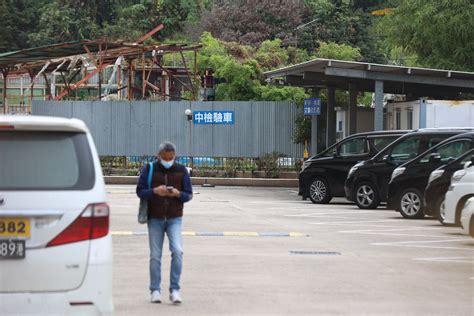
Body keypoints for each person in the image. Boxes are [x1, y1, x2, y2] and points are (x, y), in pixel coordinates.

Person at [136, 141, 193, 304]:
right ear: (159, 156)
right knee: (155, 256)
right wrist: (155, 191)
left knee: (177, 252)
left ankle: (175, 289)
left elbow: (188, 195)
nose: (168, 160)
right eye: (165, 157)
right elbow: (140, 191)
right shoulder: (149, 169)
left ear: (175, 156)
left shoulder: (182, 170)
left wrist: (177, 194)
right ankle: (155, 290)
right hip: (155, 218)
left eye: (171, 157)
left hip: (175, 218)